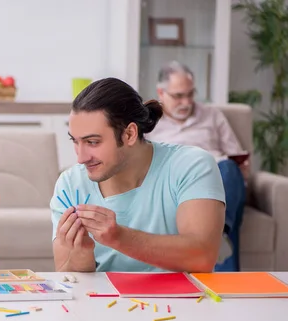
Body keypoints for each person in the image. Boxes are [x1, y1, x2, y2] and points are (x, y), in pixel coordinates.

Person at [50, 77, 226, 273]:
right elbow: (67, 277)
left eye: (92, 142)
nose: (81, 158)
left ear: (130, 134)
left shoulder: (191, 166)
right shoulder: (69, 184)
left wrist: (119, 238)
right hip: (102, 302)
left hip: (182, 301)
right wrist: (81, 256)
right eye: (75, 141)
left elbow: (202, 258)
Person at [146, 61, 246, 272]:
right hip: (178, 184)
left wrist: (241, 166)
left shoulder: (212, 115)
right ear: (160, 92)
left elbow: (236, 155)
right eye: (179, 96)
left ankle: (220, 233)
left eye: (191, 94)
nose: (187, 101)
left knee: (229, 167)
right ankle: (218, 236)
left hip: (218, 179)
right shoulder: (149, 123)